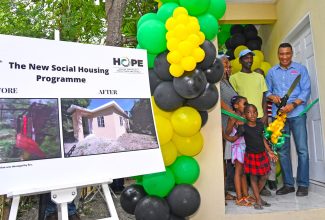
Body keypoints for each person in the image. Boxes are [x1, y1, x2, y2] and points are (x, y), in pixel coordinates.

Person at [266, 42, 311, 197]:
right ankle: (288, 185)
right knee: (283, 151)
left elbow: (306, 90)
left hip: (297, 114)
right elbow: (267, 92)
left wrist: (293, 105)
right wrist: (273, 96)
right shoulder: (271, 72)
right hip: (279, 118)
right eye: (281, 54)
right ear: (278, 55)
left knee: (302, 150)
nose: (284, 57)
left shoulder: (301, 70)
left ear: (292, 54)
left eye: (287, 53)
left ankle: (303, 184)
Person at [236, 104, 277, 210]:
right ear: (245, 115)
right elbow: (235, 137)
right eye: (249, 112)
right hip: (251, 155)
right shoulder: (243, 127)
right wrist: (234, 126)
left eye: (254, 112)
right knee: (253, 178)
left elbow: (262, 139)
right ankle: (258, 200)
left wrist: (269, 151)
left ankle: (257, 197)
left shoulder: (260, 125)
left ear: (257, 114)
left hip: (262, 154)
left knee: (264, 176)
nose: (252, 114)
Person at [224, 96, 253, 206]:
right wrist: (232, 123)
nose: (246, 105)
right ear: (236, 106)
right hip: (237, 148)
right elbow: (227, 132)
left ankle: (246, 195)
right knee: (238, 173)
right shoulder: (233, 117)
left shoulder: (245, 117)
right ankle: (239, 198)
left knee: (243, 173)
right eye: (244, 103)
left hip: (245, 147)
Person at [229, 49, 268, 124]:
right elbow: (233, 100)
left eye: (251, 58)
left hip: (260, 116)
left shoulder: (260, 77)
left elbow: (264, 97)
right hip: (244, 118)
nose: (249, 60)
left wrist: (265, 115)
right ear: (240, 61)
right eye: (246, 58)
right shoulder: (233, 78)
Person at [254, 68, 277, 194]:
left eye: (261, 77)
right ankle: (257, 183)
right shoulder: (253, 93)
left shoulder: (269, 93)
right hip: (257, 125)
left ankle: (271, 179)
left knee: (271, 150)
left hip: (270, 125)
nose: (259, 79)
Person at [219, 53, 237, 202]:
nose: (228, 68)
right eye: (225, 65)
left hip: (230, 124)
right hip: (222, 125)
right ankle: (221, 195)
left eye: (229, 66)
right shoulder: (216, 81)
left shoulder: (227, 81)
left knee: (226, 161)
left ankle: (224, 192)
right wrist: (233, 114)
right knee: (220, 161)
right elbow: (218, 100)